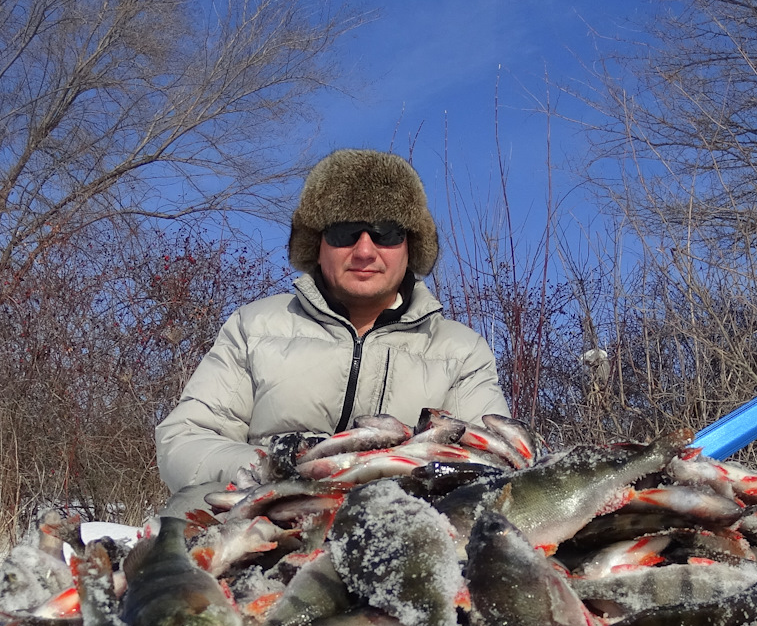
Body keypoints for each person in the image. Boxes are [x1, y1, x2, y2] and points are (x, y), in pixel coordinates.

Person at [154, 149, 509, 512]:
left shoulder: (462, 351)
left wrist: (393, 483)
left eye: (386, 233)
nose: (365, 251)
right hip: (261, 514)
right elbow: (185, 440)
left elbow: (492, 463)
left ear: (411, 246)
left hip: (404, 527)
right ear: (317, 244)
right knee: (185, 512)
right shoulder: (253, 327)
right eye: (344, 232)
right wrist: (280, 467)